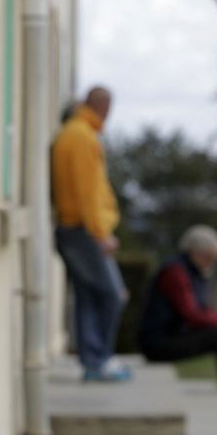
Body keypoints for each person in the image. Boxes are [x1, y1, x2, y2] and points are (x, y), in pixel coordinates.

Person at [138, 225, 217, 420]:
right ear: (196, 252)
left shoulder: (196, 273)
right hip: (158, 343)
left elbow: (203, 313)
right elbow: (192, 315)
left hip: (176, 335)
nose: (213, 261)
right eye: (210, 255)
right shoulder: (176, 272)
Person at [52, 87, 130, 382]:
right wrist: (101, 233)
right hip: (83, 231)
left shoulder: (74, 133)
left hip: (74, 229)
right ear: (103, 106)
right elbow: (88, 193)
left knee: (88, 296)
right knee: (113, 295)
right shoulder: (82, 137)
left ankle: (93, 362)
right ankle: (98, 360)